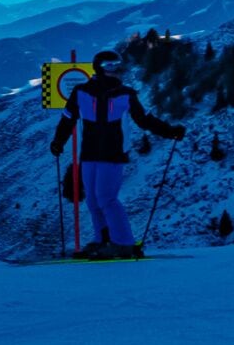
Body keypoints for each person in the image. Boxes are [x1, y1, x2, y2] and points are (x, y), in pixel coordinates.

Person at [49, 51, 187, 260]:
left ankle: (123, 244)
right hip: (89, 154)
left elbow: (144, 120)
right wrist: (58, 142)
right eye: (110, 66)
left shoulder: (126, 94)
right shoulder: (81, 92)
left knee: (107, 198)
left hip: (113, 153)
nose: (116, 70)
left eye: (118, 66)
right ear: (99, 67)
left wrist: (170, 131)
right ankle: (102, 241)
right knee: (93, 200)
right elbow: (67, 119)